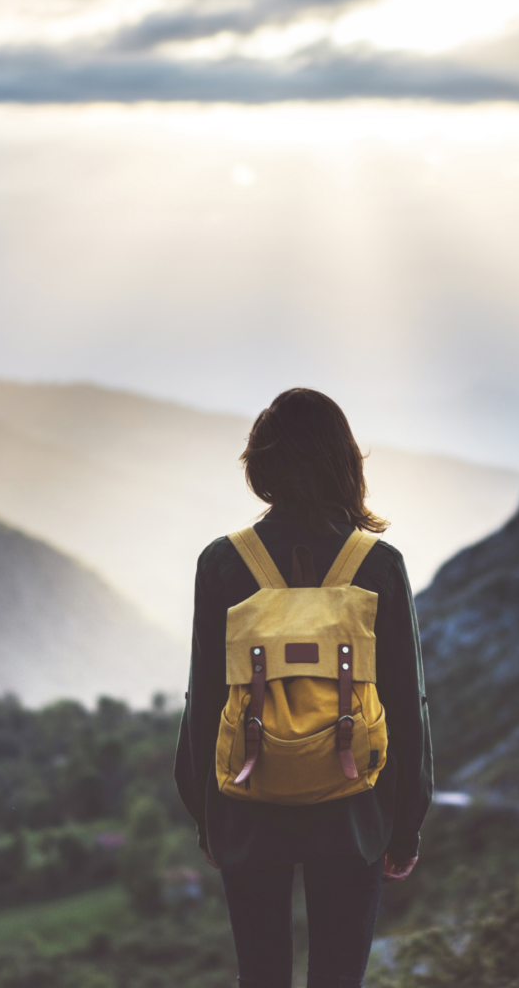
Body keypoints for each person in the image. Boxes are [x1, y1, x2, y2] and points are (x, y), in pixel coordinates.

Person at [175, 387, 433, 988]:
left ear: (261, 463)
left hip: (246, 800)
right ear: (344, 460)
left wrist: (206, 815)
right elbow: (407, 704)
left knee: (261, 976)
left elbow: (204, 698)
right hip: (353, 806)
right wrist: (405, 824)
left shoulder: (223, 562)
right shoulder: (379, 564)